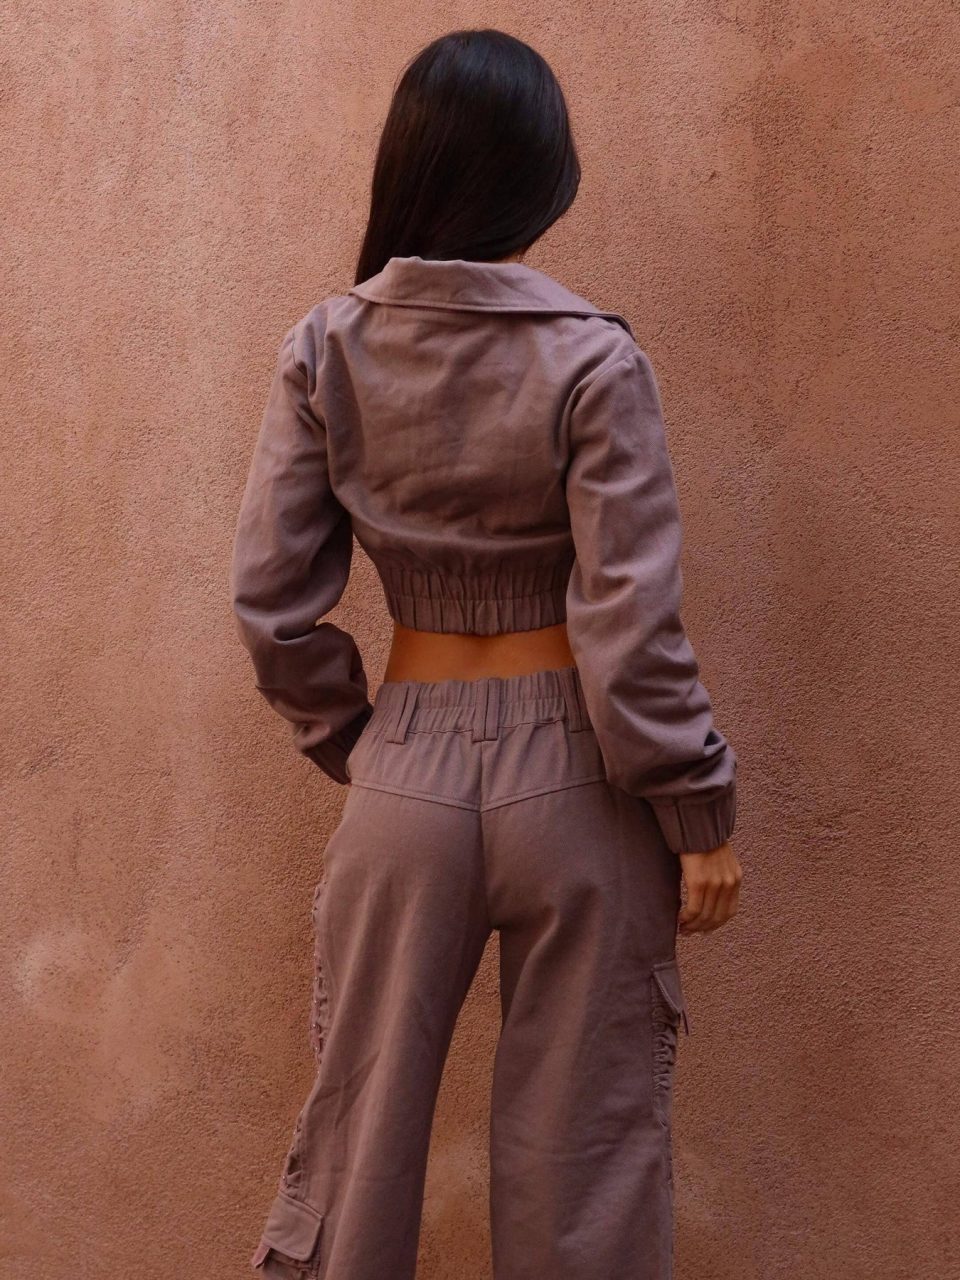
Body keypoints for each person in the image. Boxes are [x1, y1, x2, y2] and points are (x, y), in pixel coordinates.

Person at [230, 25, 742, 1280]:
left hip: (405, 765)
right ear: (539, 177)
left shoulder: (328, 347)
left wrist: (364, 743)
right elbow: (630, 624)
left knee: (359, 1150)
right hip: (580, 780)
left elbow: (272, 603)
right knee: (585, 1173)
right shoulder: (595, 357)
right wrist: (697, 810)